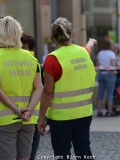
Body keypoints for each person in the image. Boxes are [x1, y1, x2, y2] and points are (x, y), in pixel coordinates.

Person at [37, 17, 97, 160]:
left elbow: (47, 92)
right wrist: (92, 40)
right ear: (71, 35)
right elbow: (90, 46)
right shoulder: (83, 52)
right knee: (84, 152)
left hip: (61, 117)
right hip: (84, 114)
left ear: (54, 38)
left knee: (62, 155)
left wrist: (41, 118)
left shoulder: (52, 59)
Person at [0, 16, 43, 160]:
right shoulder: (31, 58)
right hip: (28, 119)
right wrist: (29, 109)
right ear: (18, 33)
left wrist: (16, 109)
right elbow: (39, 88)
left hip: (5, 119)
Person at [96, 39, 116, 117]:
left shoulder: (99, 53)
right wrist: (115, 71)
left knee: (100, 93)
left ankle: (99, 111)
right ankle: (110, 111)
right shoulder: (112, 54)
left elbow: (97, 64)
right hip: (109, 73)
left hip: (101, 73)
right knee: (110, 94)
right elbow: (113, 64)